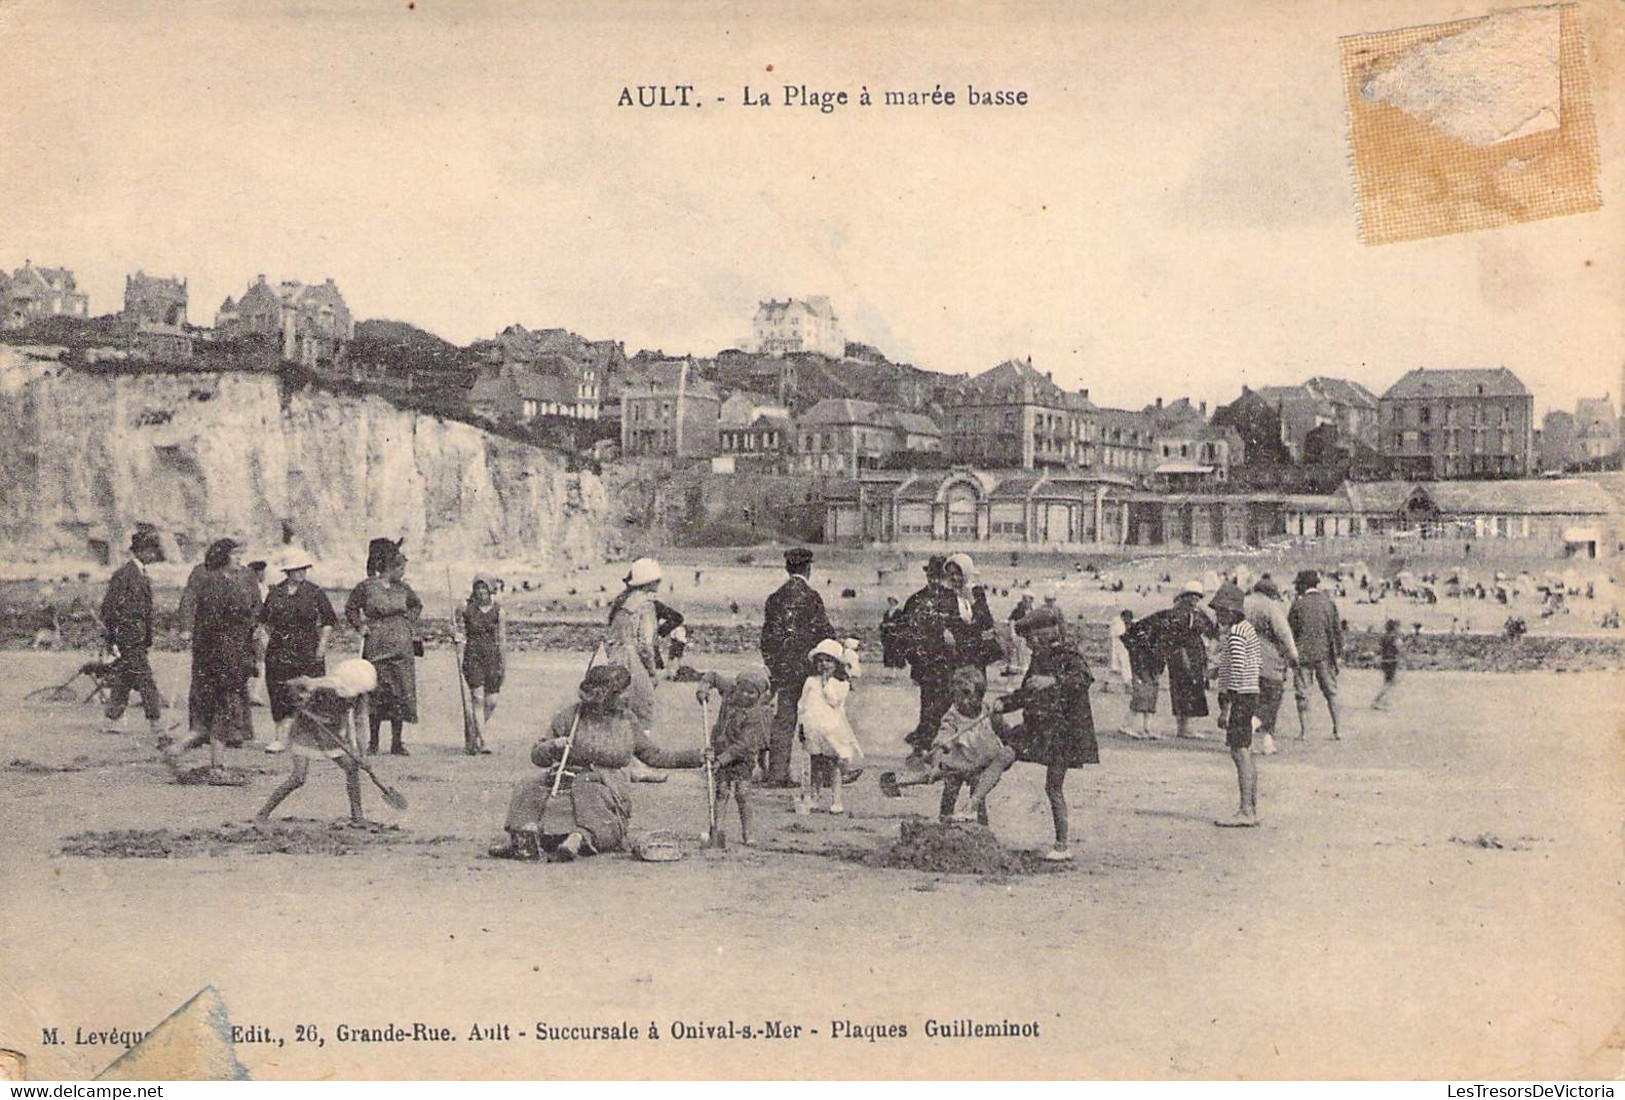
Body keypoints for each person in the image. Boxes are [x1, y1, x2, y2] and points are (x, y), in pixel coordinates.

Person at [488, 664, 704, 861]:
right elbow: (537, 755)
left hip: (605, 783)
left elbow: (655, 756)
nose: (628, 697)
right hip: (564, 775)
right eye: (622, 693)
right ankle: (522, 837)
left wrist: (696, 757)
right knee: (530, 786)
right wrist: (554, 746)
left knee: (588, 792)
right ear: (604, 695)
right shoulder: (571, 717)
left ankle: (578, 839)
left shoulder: (628, 721)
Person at [996, 605, 1098, 862]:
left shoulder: (1068, 654)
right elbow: (1026, 693)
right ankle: (973, 809)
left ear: (1044, 635)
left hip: (1064, 734)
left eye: (1031, 640)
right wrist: (1004, 703)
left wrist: (1053, 681)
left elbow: (1084, 678)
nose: (1029, 646)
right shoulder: (1037, 660)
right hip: (1039, 729)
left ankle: (1062, 845)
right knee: (1004, 755)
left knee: (1053, 787)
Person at [879, 665, 1016, 828]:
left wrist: (1012, 742)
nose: (963, 701)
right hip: (958, 762)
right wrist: (936, 761)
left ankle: (982, 829)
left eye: (968, 695)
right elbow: (942, 740)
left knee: (978, 796)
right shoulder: (952, 717)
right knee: (950, 791)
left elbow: (1006, 732)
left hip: (980, 763)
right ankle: (944, 824)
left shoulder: (988, 712)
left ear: (980, 695)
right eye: (957, 696)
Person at [903, 554, 1002, 758]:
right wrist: (944, 632)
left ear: (966, 573)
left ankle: (974, 749)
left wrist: (973, 603)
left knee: (972, 703)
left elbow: (986, 622)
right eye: (951, 574)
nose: (955, 578)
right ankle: (935, 749)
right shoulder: (944, 595)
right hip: (951, 660)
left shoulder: (977, 593)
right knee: (944, 704)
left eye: (959, 574)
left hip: (974, 659)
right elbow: (937, 622)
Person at [170, 538, 259, 764]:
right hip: (223, 650)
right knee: (221, 700)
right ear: (223, 557)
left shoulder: (243, 576)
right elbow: (193, 605)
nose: (239, 558)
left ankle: (229, 737)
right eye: (235, 554)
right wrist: (187, 629)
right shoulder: (211, 580)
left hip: (225, 647)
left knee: (227, 698)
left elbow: (254, 606)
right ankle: (203, 753)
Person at [254, 659, 374, 825]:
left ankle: (357, 816)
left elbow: (360, 723)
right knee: (298, 777)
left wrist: (363, 754)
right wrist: (299, 704)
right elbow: (290, 685)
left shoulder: (361, 695)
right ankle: (262, 813)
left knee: (352, 768)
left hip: (331, 735)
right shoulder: (323, 685)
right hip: (305, 732)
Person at [759, 547, 836, 787]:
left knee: (784, 720)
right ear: (808, 568)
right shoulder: (811, 597)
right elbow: (826, 633)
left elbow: (767, 639)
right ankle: (822, 776)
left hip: (783, 670)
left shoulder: (775, 598)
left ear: (787, 568)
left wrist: (773, 666)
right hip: (809, 669)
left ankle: (777, 773)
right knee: (816, 720)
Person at [345, 542, 422, 755]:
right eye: (400, 569)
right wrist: (361, 626)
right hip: (376, 644)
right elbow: (351, 608)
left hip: (401, 645)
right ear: (389, 567)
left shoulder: (404, 588)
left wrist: (408, 623)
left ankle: (397, 742)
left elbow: (416, 605)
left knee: (401, 691)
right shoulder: (367, 587)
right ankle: (374, 742)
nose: (403, 573)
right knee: (376, 690)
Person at [260, 550, 337, 754]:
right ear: (288, 572)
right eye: (297, 569)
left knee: (311, 692)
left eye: (304, 569)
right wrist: (269, 639)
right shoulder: (276, 592)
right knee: (279, 692)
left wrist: (322, 646)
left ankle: (314, 739)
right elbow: (264, 621)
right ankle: (280, 738)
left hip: (307, 648)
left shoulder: (315, 592)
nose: (302, 573)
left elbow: (329, 621)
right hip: (279, 649)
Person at [99, 529, 174, 737]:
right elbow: (109, 607)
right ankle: (156, 723)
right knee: (145, 678)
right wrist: (114, 635)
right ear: (140, 551)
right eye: (150, 551)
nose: (153, 555)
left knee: (125, 678)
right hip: (128, 636)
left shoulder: (140, 574)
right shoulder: (124, 575)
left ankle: (110, 720)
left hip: (137, 637)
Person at [605, 557, 668, 781]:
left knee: (621, 709)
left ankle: (624, 763)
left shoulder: (623, 602)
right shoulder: (645, 604)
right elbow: (646, 643)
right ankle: (638, 766)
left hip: (616, 658)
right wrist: (652, 672)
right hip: (633, 661)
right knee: (643, 710)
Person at [697, 666, 773, 844]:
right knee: (721, 791)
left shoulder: (755, 715)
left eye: (752, 693)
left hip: (742, 757)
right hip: (721, 749)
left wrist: (721, 761)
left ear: (759, 695)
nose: (746, 695)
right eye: (743, 690)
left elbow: (743, 745)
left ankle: (749, 833)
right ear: (736, 687)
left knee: (742, 792)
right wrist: (703, 688)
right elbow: (712, 675)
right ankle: (717, 829)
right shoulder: (729, 693)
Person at [1211, 584, 1262, 827]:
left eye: (1221, 611)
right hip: (1250, 692)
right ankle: (1251, 807)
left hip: (1240, 696)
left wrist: (1226, 707)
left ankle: (1246, 811)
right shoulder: (1247, 629)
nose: (1217, 616)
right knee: (1246, 752)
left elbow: (1237, 670)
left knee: (1239, 751)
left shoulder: (1236, 633)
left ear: (1232, 611)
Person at [796, 639, 863, 815]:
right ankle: (814, 797)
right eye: (820, 661)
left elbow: (834, 701)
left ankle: (837, 800)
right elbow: (802, 705)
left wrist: (827, 684)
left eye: (828, 660)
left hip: (832, 731)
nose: (823, 664)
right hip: (814, 730)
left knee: (834, 766)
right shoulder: (810, 681)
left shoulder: (841, 684)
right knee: (815, 765)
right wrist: (801, 725)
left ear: (836, 664)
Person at [1243, 575, 1297, 756]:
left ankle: (1266, 743)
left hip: (1244, 658)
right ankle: (1250, 729)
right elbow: (1283, 633)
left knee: (1250, 700)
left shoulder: (1243, 603)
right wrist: (1293, 656)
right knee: (1271, 701)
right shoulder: (1270, 607)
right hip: (1268, 660)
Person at [1288, 569, 1343, 740]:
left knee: (1303, 694)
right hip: (1325, 654)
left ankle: (1305, 732)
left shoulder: (1298, 605)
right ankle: (1337, 730)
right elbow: (1336, 632)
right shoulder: (1328, 603)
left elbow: (1290, 632)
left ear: (1303, 585)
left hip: (1302, 655)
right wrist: (1338, 655)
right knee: (1331, 693)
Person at [1157, 580, 1216, 740]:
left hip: (1190, 653)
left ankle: (1184, 726)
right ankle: (1184, 728)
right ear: (1186, 596)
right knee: (1185, 687)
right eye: (1193, 595)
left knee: (1187, 688)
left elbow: (1211, 630)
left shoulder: (1193, 612)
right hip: (1183, 653)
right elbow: (1177, 636)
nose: (1196, 599)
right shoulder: (1182, 613)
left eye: (1198, 596)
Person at [455, 575, 505, 753]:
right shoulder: (466, 607)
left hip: (492, 657)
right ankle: (484, 741)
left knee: (491, 701)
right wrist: (457, 637)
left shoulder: (498, 610)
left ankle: (474, 732)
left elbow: (502, 638)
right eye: (478, 588)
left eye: (484, 588)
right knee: (477, 699)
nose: (481, 592)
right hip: (473, 655)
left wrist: (503, 663)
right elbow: (454, 625)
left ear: (491, 590)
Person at [1120, 610, 1162, 739]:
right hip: (1142, 669)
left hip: (1149, 668)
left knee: (1150, 698)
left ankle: (1146, 728)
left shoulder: (1146, 639)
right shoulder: (1136, 642)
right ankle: (1126, 725)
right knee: (1141, 698)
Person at [1372, 618, 1401, 710]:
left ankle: (1384, 700)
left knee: (1388, 682)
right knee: (1390, 682)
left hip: (1384, 660)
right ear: (1394, 627)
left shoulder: (1384, 637)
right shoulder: (1394, 638)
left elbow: (1379, 649)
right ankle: (1378, 701)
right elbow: (1398, 647)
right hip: (1391, 661)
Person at [1004, 594, 1034, 676]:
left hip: (1028, 636)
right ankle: (1016, 670)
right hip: (1019, 635)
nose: (1026, 603)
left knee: (1025, 654)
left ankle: (1023, 669)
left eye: (1028, 601)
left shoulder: (1032, 611)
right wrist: (1013, 633)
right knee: (1018, 652)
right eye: (1025, 601)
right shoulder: (1017, 611)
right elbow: (1011, 622)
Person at [1107, 608, 1133, 692]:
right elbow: (1122, 634)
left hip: (1117, 644)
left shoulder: (1116, 621)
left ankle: (1111, 685)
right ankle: (1128, 685)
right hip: (1120, 645)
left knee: (1116, 665)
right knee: (1124, 664)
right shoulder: (1118, 623)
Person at [879, 596, 908, 670]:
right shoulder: (887, 612)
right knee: (888, 650)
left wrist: (894, 625)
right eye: (890, 601)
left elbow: (902, 623)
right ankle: (889, 666)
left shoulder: (899, 612)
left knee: (897, 650)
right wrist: (883, 625)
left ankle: (898, 666)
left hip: (896, 634)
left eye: (892, 601)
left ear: (895, 602)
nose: (891, 603)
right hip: (887, 634)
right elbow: (884, 621)